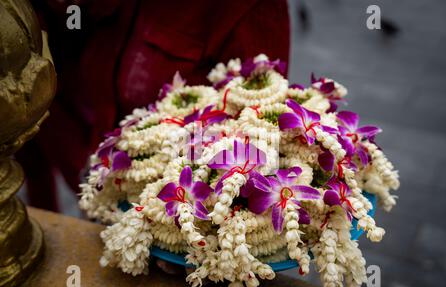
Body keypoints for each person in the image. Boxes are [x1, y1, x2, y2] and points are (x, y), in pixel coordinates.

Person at [19, 0, 290, 212]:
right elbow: (47, 86)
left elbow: (259, 135)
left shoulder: (248, 9)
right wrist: (86, 167)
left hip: (179, 222)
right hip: (104, 190)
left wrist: (184, 229)